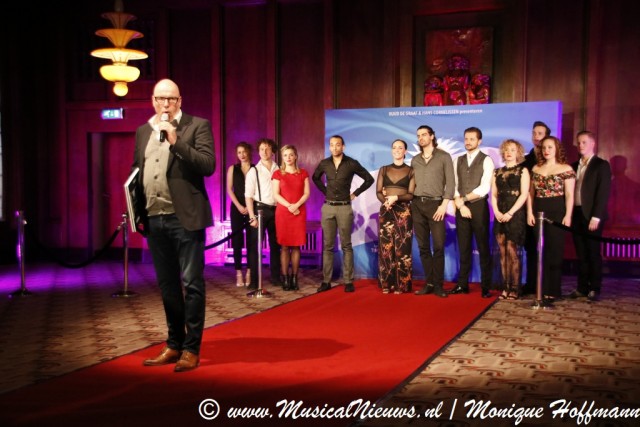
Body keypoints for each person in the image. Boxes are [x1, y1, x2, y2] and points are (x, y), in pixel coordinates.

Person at [134, 79, 216, 372]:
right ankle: (173, 344)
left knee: (192, 284)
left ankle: (191, 349)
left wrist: (175, 141)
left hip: (185, 219)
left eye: (171, 98)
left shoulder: (197, 126)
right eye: (160, 98)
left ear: (180, 101)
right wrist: (135, 208)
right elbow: (137, 170)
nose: (165, 103)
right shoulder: (143, 130)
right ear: (153, 100)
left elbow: (207, 165)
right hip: (154, 219)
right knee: (168, 285)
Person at [312, 135, 374, 293]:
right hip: (328, 207)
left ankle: (348, 281)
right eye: (331, 145)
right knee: (328, 246)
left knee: (346, 245)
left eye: (337, 145)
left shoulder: (351, 163)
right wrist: (326, 191)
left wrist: (355, 193)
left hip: (345, 208)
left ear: (343, 147)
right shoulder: (325, 163)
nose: (334, 147)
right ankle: (326, 281)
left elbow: (369, 179)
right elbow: (315, 178)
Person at [527, 136, 575, 303]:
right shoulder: (536, 168)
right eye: (544, 148)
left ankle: (553, 290)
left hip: (557, 211)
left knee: (555, 250)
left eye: (550, 147)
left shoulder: (565, 168)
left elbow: (569, 195)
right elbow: (530, 194)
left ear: (557, 149)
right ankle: (541, 288)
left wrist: (568, 215)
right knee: (541, 250)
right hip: (538, 210)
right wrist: (529, 213)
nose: (546, 150)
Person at [412, 125, 455, 298]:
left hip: (436, 205)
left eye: (424, 134)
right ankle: (429, 283)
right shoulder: (415, 160)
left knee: (438, 246)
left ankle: (438, 285)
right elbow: (410, 184)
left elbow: (450, 183)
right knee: (423, 247)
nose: (421, 138)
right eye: (418, 135)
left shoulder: (444, 156)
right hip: (417, 204)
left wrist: (444, 205)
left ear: (432, 136)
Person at [451, 127, 494, 298]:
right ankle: (462, 284)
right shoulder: (458, 160)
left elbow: (485, 187)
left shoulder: (486, 160)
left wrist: (464, 199)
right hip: (461, 207)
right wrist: (460, 203)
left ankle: (486, 286)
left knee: (483, 247)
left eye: (472, 139)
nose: (468, 142)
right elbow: (453, 184)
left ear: (479, 141)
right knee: (463, 247)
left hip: (478, 206)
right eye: (466, 138)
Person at [568, 131, 611, 302]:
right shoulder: (573, 166)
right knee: (581, 253)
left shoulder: (601, 165)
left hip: (592, 215)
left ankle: (594, 288)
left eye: (584, 142)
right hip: (577, 213)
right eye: (579, 142)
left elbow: (603, 192)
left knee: (593, 252)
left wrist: (596, 216)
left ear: (593, 144)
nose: (581, 145)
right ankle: (582, 287)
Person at [491, 139, 530, 300]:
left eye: (512, 150)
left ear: (518, 152)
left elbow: (524, 194)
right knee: (502, 252)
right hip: (500, 213)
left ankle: (515, 288)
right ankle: (505, 287)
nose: (508, 152)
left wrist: (510, 213)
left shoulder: (523, 171)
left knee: (512, 251)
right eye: (506, 149)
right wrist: (497, 212)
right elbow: (493, 195)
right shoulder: (497, 172)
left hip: (515, 214)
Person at [376, 139, 416, 294]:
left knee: (403, 248)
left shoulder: (411, 170)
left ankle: (402, 285)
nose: (397, 150)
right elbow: (378, 191)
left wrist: (396, 198)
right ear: (391, 150)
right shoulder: (384, 169)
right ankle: (387, 283)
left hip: (403, 211)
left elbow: (411, 194)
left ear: (405, 151)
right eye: (394, 147)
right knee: (385, 248)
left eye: (400, 148)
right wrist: (386, 202)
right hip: (386, 210)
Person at [245, 138, 282, 290]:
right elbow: (248, 196)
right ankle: (254, 281)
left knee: (276, 246)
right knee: (255, 247)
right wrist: (251, 217)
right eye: (261, 149)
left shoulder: (279, 169)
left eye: (267, 148)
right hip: (259, 210)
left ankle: (276, 277)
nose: (264, 152)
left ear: (272, 151)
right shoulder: (254, 170)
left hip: (277, 210)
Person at [272, 145, 310, 291]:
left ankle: (294, 277)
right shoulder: (277, 174)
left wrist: (296, 205)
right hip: (283, 212)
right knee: (284, 246)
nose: (288, 158)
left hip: (299, 212)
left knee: (296, 246)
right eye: (285, 155)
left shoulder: (303, 173)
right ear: (282, 158)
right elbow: (276, 194)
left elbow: (306, 193)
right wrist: (289, 206)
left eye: (291, 155)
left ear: (295, 157)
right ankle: (285, 278)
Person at [521, 121, 551, 294]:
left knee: (548, 248)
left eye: (540, 133)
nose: (536, 136)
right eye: (534, 133)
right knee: (531, 247)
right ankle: (531, 283)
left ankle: (547, 285)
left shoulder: (553, 159)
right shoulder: (526, 160)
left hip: (548, 208)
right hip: (529, 208)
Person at [226, 142, 254, 287]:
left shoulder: (255, 168)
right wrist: (238, 206)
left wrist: (249, 208)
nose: (242, 155)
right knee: (236, 241)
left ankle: (249, 272)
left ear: (249, 152)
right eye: (239, 152)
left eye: (244, 152)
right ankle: (238, 273)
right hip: (236, 207)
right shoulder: (233, 168)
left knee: (251, 241)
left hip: (252, 208)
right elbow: (229, 189)